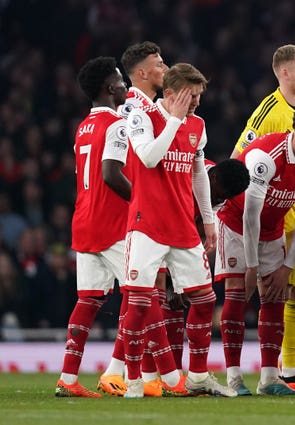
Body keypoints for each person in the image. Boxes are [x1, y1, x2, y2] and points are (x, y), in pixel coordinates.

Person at [226, 44, 295, 394]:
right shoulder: (267, 115)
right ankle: (229, 374)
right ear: (285, 73)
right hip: (252, 216)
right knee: (245, 294)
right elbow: (235, 165)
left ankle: (284, 372)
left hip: (292, 217)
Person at [121, 62, 236, 398]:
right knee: (139, 303)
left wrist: (209, 220)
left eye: (200, 95)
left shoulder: (197, 125)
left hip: (183, 226)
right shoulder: (141, 117)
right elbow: (149, 158)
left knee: (204, 299)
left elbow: (198, 173)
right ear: (170, 93)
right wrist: (173, 120)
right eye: (192, 95)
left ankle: (198, 377)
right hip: (146, 226)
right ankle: (133, 380)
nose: (197, 102)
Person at [98, 41, 175, 398]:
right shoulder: (129, 109)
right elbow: (117, 169)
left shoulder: (152, 107)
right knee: (141, 294)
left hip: (147, 212)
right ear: (142, 72)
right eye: (160, 64)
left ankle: (135, 372)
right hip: (132, 214)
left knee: (143, 294)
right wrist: (142, 201)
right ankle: (136, 373)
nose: (166, 68)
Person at [55, 56, 129, 397]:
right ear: (108, 88)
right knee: (143, 295)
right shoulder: (116, 124)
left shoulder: (83, 126)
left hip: (84, 221)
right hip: (111, 222)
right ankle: (124, 371)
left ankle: (68, 379)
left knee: (88, 301)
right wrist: (142, 202)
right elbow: (111, 175)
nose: (125, 84)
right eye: (120, 80)